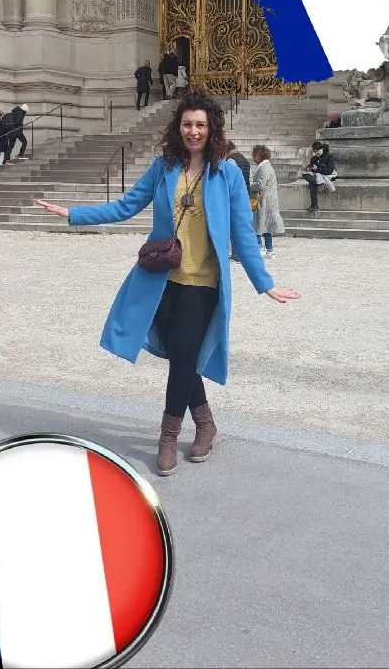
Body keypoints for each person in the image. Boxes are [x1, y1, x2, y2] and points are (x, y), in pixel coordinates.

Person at [34, 92, 300, 477]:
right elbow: (126, 206)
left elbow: (243, 234)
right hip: (163, 280)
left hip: (203, 284)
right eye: (188, 124)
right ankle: (206, 423)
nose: (194, 131)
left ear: (212, 130)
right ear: (179, 127)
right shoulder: (164, 167)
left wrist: (265, 283)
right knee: (182, 356)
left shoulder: (226, 174)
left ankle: (167, 436)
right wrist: (74, 213)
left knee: (183, 358)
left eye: (201, 125)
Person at [250, 145, 285, 259]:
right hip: (264, 199)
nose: (253, 157)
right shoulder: (264, 166)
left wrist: (249, 184)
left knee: (259, 224)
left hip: (263, 200)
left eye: (254, 154)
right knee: (265, 226)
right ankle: (269, 250)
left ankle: (260, 248)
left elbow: (260, 184)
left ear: (260, 155)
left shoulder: (264, 167)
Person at [226, 140, 251, 262]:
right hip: (244, 193)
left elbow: (229, 181)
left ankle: (236, 253)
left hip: (234, 196)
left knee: (233, 226)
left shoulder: (231, 161)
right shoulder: (244, 159)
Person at [304, 143, 337, 215]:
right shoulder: (314, 158)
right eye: (314, 151)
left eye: (316, 151)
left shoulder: (329, 157)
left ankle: (314, 204)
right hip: (316, 177)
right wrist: (309, 169)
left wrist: (317, 169)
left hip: (327, 176)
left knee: (312, 183)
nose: (315, 153)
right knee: (304, 174)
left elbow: (329, 171)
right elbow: (312, 170)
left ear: (322, 149)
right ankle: (318, 183)